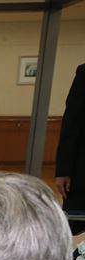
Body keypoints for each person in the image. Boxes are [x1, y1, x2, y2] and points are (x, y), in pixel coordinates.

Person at [56, 63, 85, 234]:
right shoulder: (84, 73)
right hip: (82, 170)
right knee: (73, 227)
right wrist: (63, 170)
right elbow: (71, 123)